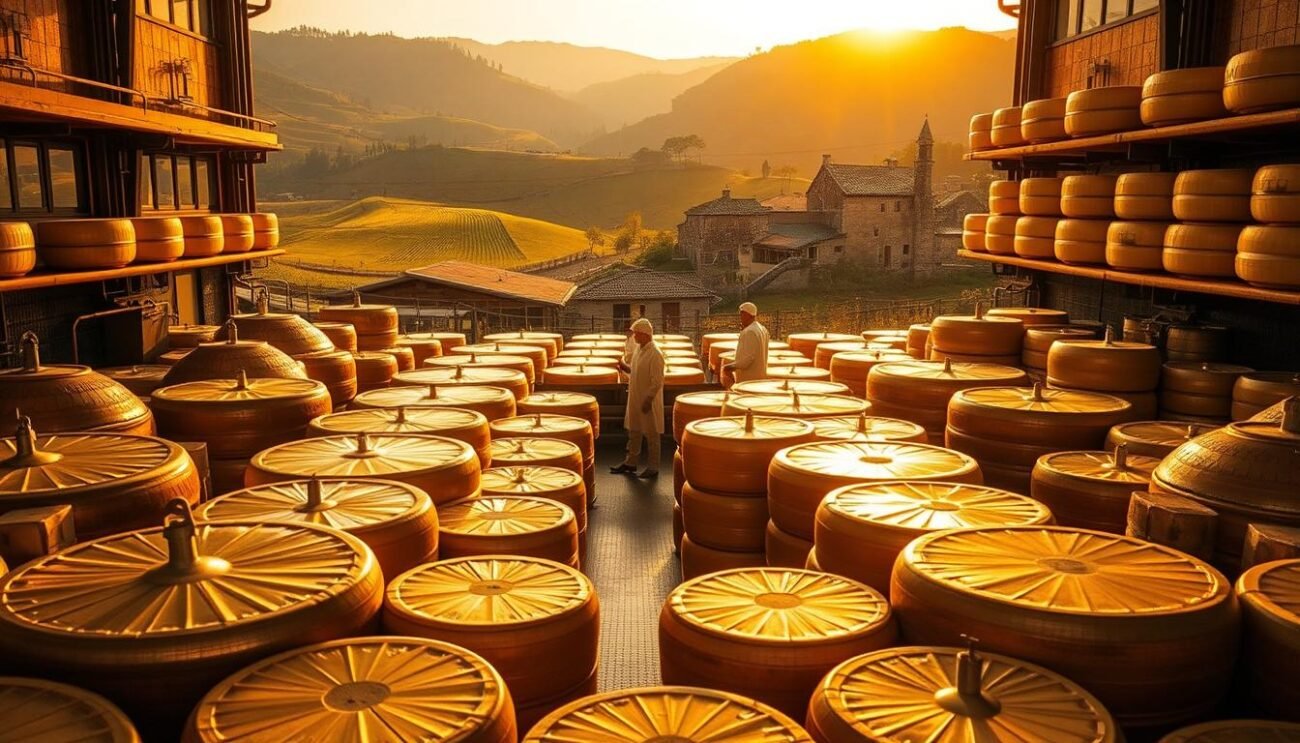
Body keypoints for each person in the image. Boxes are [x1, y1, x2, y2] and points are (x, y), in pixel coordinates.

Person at [610, 317, 665, 478]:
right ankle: (631, 463)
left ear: (645, 334)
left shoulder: (656, 354)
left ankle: (653, 467)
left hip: (648, 402)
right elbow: (636, 372)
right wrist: (623, 366)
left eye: (636, 334)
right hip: (635, 398)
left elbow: (657, 381)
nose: (634, 337)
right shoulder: (640, 350)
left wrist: (648, 400)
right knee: (634, 431)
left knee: (652, 434)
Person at [722, 301, 769, 386]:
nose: (740, 318)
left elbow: (747, 359)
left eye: (741, 315)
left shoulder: (749, 331)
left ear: (747, 314)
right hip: (760, 376)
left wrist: (729, 367)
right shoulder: (762, 329)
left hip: (748, 380)